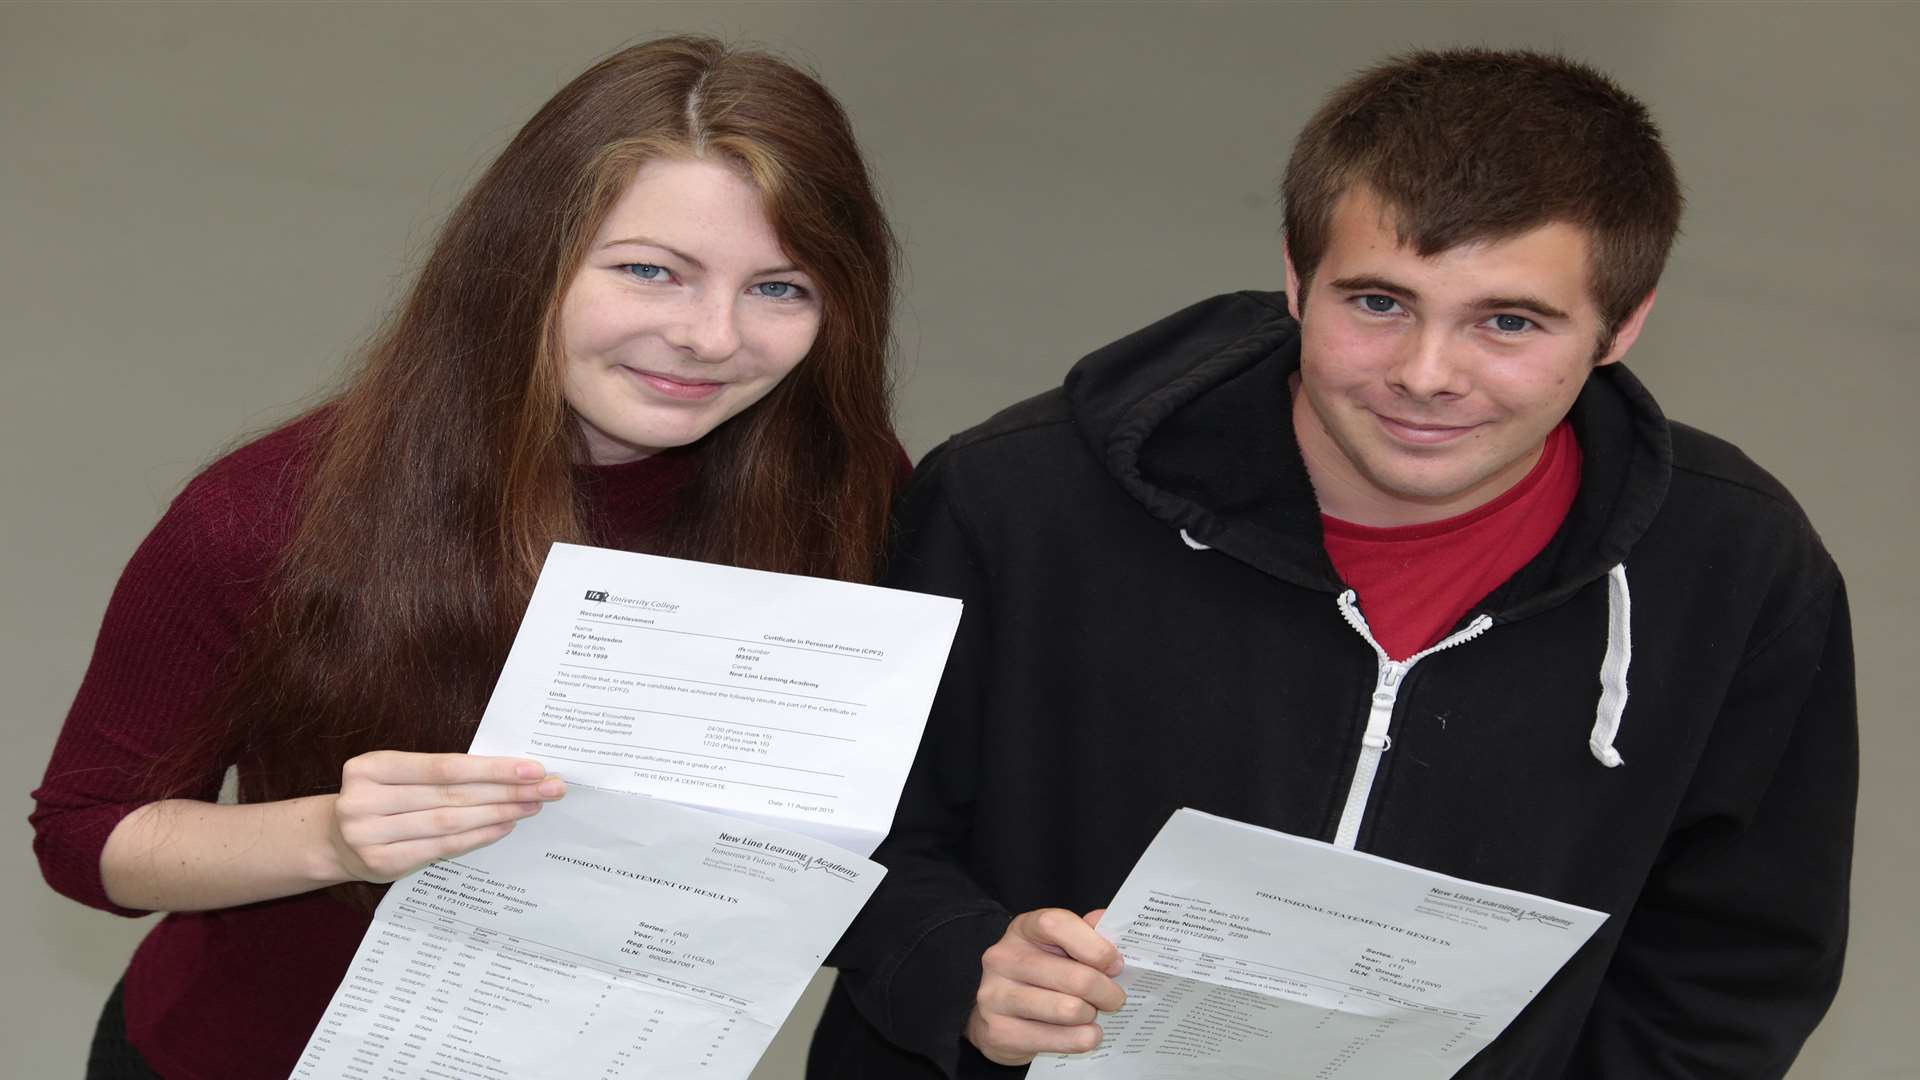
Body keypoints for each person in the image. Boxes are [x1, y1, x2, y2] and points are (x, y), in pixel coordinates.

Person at [814, 48, 1856, 1079]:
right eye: (1378, 303)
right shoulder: (1018, 501)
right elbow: (836, 824)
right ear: (1294, 277)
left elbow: (1733, 962)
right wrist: (955, 967)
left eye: (1508, 322)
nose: (1426, 375)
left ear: (1623, 326)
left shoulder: (1737, 570)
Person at [32, 35, 902, 1080]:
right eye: (649, 272)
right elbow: (86, 836)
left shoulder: (854, 495)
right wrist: (334, 839)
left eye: (780, 288)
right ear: (524, 260)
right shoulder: (269, 513)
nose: (712, 336)